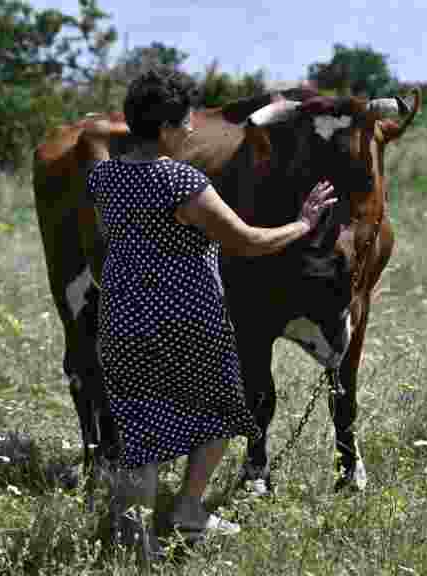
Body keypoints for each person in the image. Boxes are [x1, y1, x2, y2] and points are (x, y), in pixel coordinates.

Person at [86, 67, 337, 566]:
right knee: (217, 413)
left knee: (143, 429)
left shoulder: (104, 177)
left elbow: (112, 236)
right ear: (164, 129)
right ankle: (166, 528)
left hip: (121, 320)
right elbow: (248, 241)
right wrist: (302, 224)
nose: (191, 130)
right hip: (185, 325)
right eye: (185, 122)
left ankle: (151, 531)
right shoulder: (182, 181)